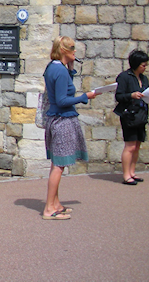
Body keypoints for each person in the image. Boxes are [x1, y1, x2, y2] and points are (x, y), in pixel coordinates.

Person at [42, 36, 99, 220]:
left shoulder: (54, 67)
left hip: (55, 119)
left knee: (57, 164)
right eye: (72, 48)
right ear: (64, 50)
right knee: (59, 165)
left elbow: (63, 88)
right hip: (61, 120)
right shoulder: (59, 71)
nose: (75, 51)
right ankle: (49, 209)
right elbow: (62, 100)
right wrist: (85, 97)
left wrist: (71, 70)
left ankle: (55, 203)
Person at [115, 50, 149, 186]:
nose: (145, 67)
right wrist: (131, 95)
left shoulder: (144, 78)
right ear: (136, 64)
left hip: (141, 114)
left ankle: (132, 172)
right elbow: (119, 96)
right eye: (143, 65)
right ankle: (126, 175)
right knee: (130, 145)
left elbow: (144, 93)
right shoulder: (124, 77)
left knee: (138, 144)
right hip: (129, 115)